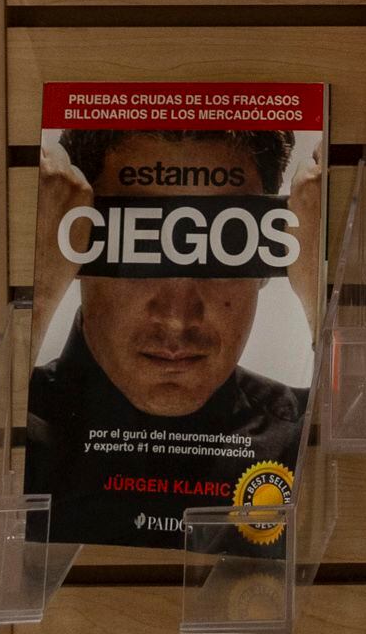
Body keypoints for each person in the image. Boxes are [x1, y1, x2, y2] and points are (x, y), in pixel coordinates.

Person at [23, 126, 309, 549]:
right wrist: (36, 292)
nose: (176, 319)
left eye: (224, 244)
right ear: (75, 248)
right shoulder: (9, 419)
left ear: (269, 256)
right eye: (141, 246)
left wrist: (325, 293)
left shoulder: (306, 430)